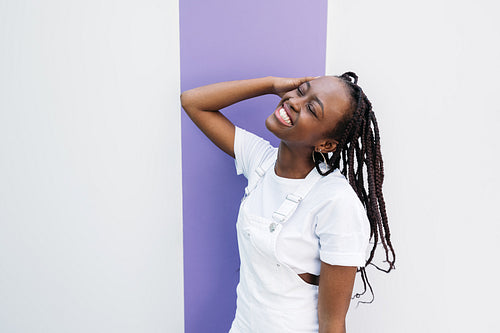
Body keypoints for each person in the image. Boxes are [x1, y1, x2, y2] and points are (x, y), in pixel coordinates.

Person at [180, 73, 396, 333]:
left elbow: (333, 324)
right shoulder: (261, 161)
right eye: (301, 91)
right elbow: (192, 102)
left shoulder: (335, 201)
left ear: (326, 144)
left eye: (311, 108)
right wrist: (271, 84)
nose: (294, 102)